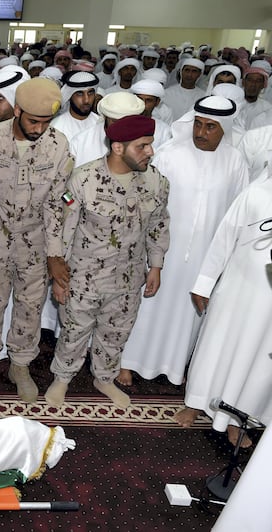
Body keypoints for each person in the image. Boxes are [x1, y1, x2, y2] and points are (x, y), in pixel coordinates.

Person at [119, 96, 249, 387]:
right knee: (147, 305)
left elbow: (237, 212)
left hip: (204, 254)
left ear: (225, 128)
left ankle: (174, 367)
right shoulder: (169, 154)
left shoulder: (235, 161)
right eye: (198, 124)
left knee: (187, 314)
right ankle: (127, 361)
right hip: (163, 250)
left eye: (210, 127)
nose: (201, 133)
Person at [46, 115, 170, 408]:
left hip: (128, 279)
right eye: (142, 147)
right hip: (84, 278)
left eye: (150, 145)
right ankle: (62, 378)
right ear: (118, 148)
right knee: (74, 332)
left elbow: (159, 225)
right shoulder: (82, 180)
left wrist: (156, 265)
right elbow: (62, 230)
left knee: (116, 333)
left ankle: (104, 378)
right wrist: (59, 277)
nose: (150, 152)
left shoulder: (156, 182)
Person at [0, 78, 73, 404]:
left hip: (36, 243)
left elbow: (56, 204)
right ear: (16, 110)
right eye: (33, 121)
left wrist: (55, 255)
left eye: (46, 123)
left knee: (30, 308)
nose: (40, 129)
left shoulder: (58, 146)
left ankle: (20, 364)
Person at [174, 176, 272, 447]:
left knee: (260, 363)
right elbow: (224, 238)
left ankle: (237, 421)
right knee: (216, 348)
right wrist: (204, 283)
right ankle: (195, 403)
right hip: (238, 293)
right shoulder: (256, 193)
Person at [51, 71, 101, 139]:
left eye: (90, 93)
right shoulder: (56, 126)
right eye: (80, 94)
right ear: (69, 96)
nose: (86, 100)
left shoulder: (100, 123)